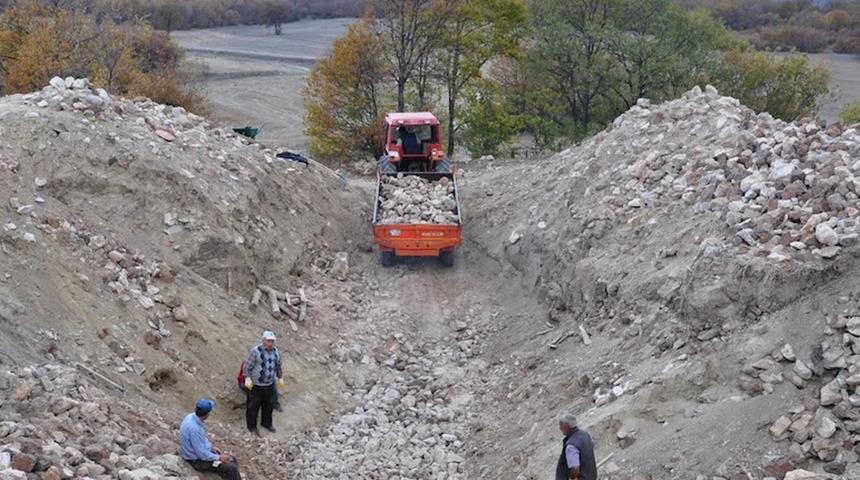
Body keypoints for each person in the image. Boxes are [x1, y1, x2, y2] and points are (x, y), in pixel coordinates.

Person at [179, 398, 241, 480]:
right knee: (231, 467)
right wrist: (218, 458)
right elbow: (202, 455)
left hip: (197, 454)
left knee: (232, 459)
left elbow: (201, 439)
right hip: (197, 461)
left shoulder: (191, 417)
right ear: (207, 414)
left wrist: (210, 447)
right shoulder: (194, 429)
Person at [244, 330, 285, 435]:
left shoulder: (276, 352)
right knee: (253, 407)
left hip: (270, 384)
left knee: (269, 406)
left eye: (272, 341)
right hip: (256, 386)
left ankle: (266, 423)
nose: (270, 343)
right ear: (263, 340)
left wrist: (280, 377)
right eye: (268, 341)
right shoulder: (255, 351)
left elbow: (278, 366)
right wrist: (247, 378)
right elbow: (247, 366)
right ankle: (252, 426)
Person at [556, 413, 597, 480]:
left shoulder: (571, 445)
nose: (560, 428)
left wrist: (573, 477)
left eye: (561, 425)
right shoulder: (585, 435)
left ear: (566, 427)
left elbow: (575, 468)